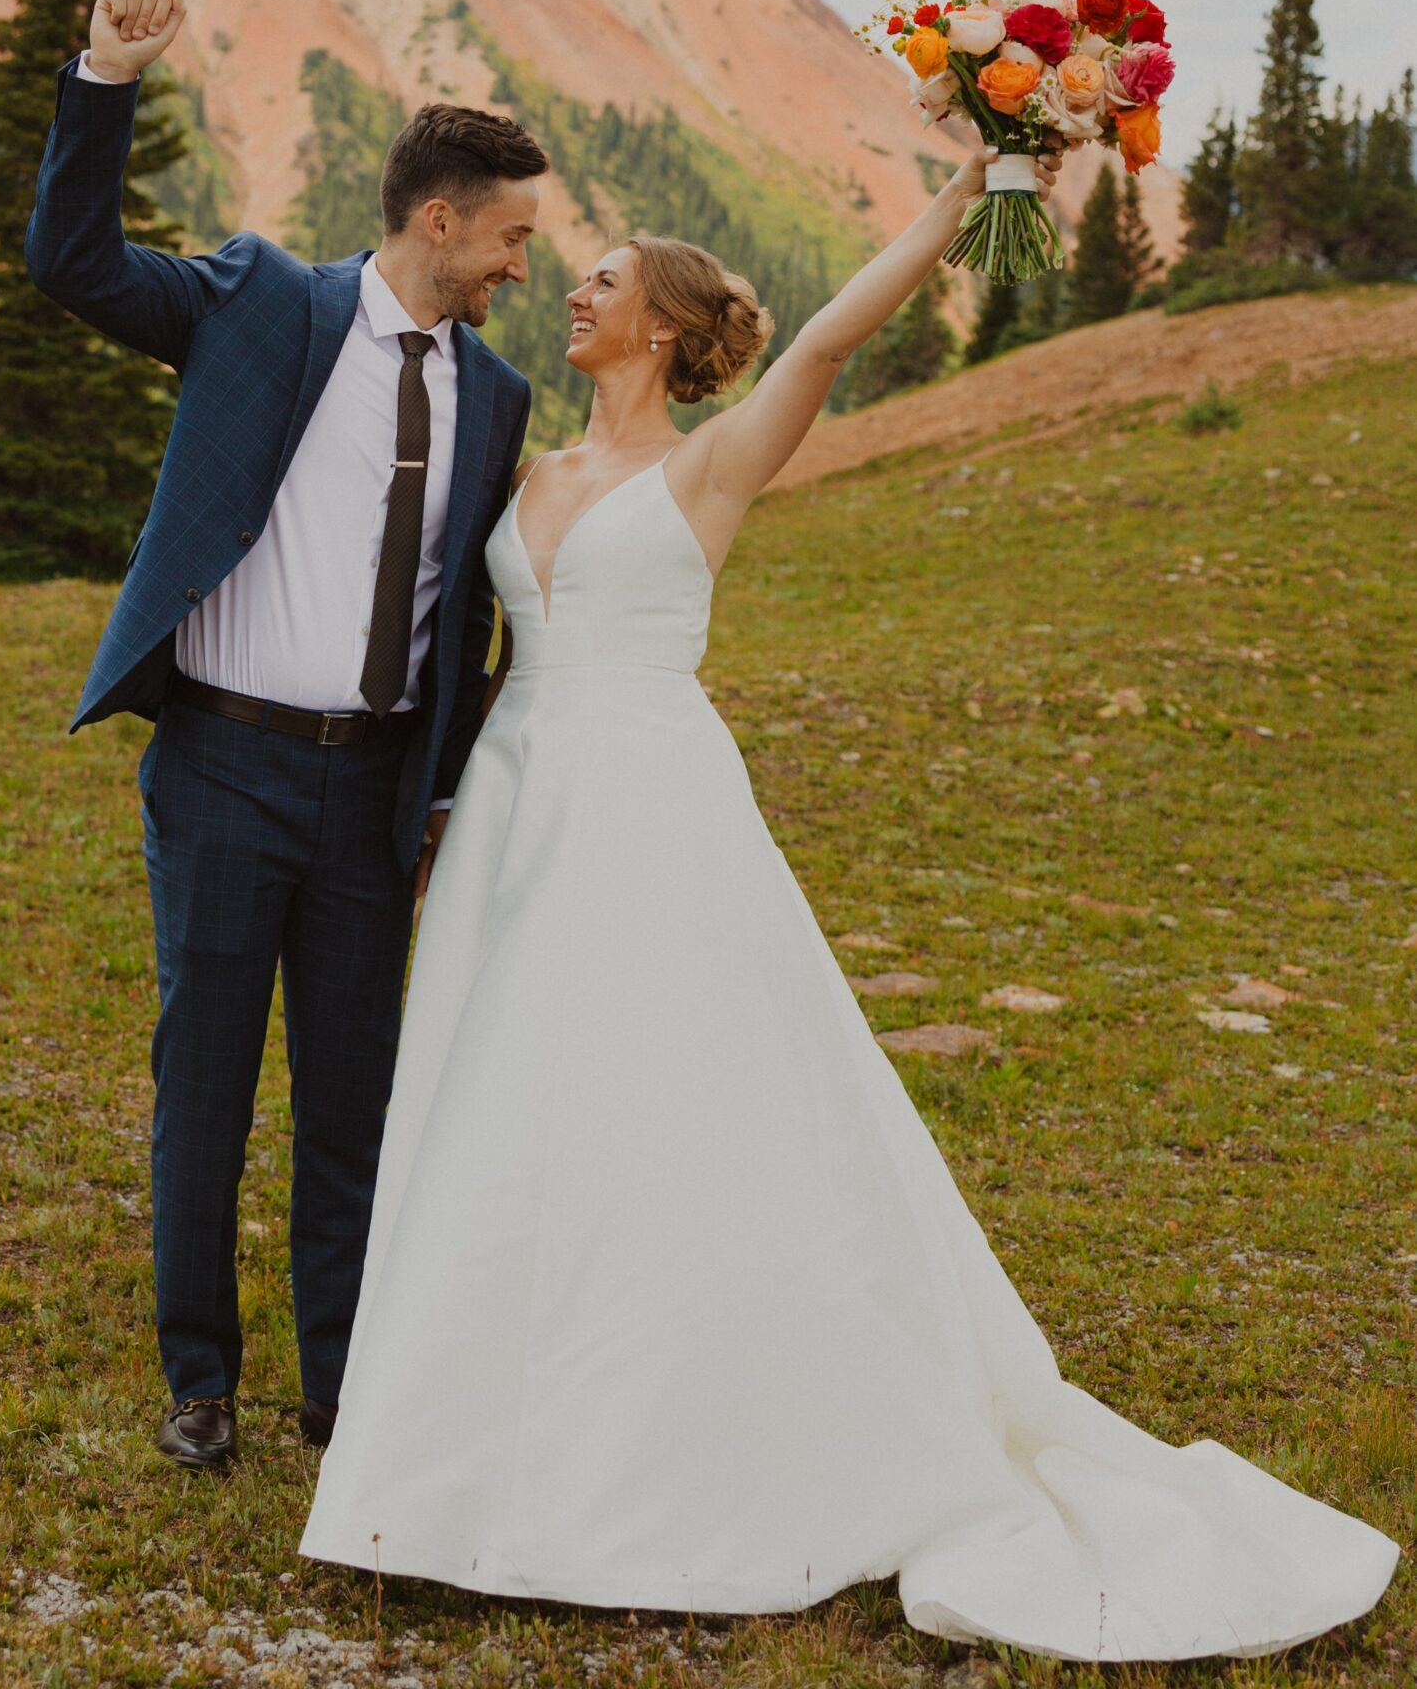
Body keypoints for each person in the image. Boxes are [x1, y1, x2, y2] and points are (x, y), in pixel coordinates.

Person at [301, 153, 1398, 1664]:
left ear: (669, 331)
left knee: (659, 1097)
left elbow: (825, 340)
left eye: (607, 279)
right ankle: (467, 1451)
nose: (575, 286)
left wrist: (963, 189)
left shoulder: (706, 468)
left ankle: (668, 1448)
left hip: (648, 805)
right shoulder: (527, 465)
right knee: (504, 1105)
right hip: (511, 806)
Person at [25, 0, 545, 1468]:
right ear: (437, 220)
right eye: (509, 233)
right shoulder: (261, 301)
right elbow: (71, 263)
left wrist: (440, 795)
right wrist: (105, 79)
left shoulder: (496, 397)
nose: (522, 263)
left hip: (375, 795)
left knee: (350, 1100)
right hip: (223, 765)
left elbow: (472, 621)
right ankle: (200, 1379)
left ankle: (342, 1388)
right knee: (204, 1081)